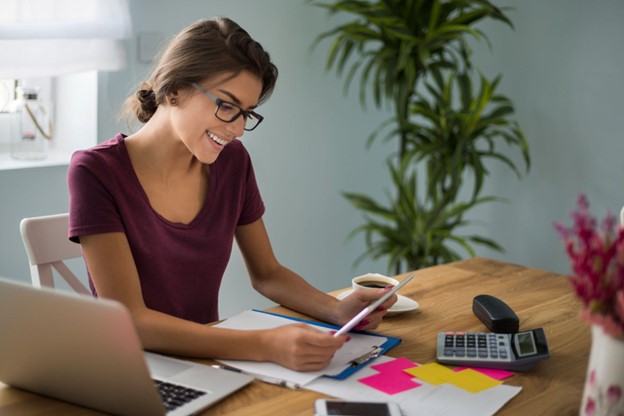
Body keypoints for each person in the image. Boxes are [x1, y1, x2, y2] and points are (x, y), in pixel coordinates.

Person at [67, 17, 396, 372]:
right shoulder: (96, 171)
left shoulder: (232, 163)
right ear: (174, 89)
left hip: (207, 365)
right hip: (129, 369)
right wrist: (265, 345)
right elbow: (131, 319)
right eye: (227, 105)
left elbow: (267, 273)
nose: (238, 129)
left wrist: (337, 308)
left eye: (247, 113)